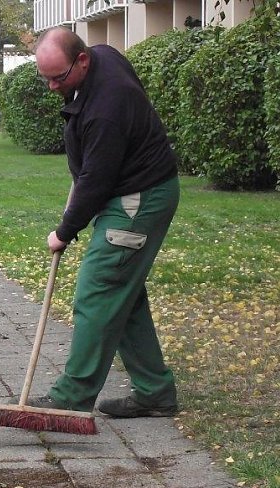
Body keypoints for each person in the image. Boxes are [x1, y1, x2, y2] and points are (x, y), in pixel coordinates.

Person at [24, 27, 180, 418]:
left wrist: (63, 232)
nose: (50, 87)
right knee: (122, 296)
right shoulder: (103, 55)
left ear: (82, 60)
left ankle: (70, 397)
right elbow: (93, 170)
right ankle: (154, 391)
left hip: (137, 198)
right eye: (45, 77)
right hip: (130, 190)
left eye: (57, 78)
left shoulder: (107, 107)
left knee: (99, 288)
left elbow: (96, 181)